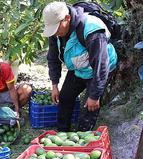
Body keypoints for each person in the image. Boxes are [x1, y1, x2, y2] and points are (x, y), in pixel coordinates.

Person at [42, 2, 117, 131]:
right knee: (64, 98)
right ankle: (62, 133)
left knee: (89, 108)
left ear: (67, 18)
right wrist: (54, 84)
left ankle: (83, 137)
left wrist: (94, 96)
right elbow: (53, 58)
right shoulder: (56, 33)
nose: (54, 33)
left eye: (56, 29)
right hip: (79, 68)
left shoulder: (91, 29)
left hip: (98, 70)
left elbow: (101, 65)